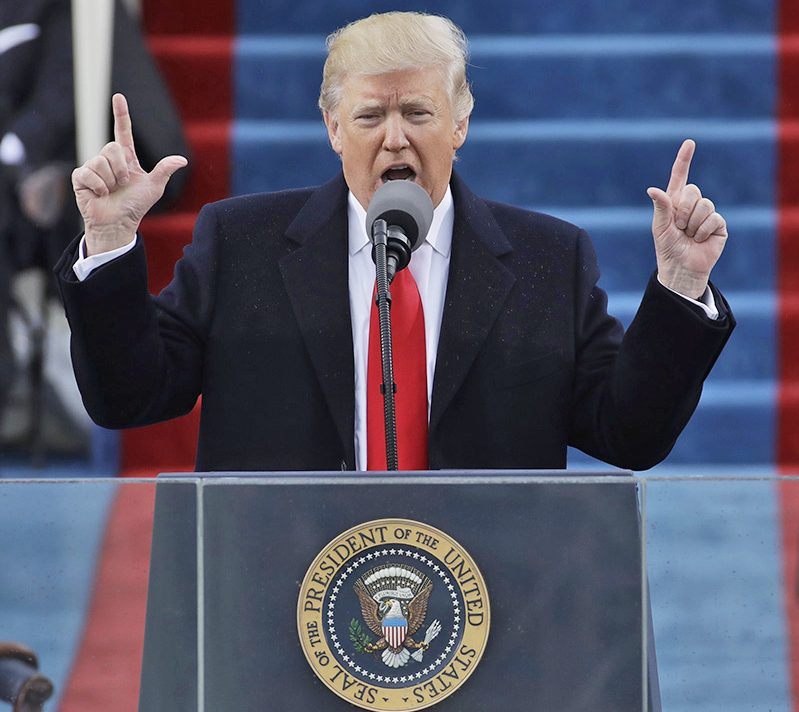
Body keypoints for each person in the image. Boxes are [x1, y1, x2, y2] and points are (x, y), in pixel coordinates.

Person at [55, 11, 733, 472]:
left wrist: (678, 286)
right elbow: (129, 397)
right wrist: (110, 244)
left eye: (417, 112)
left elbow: (628, 433)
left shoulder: (546, 260)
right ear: (332, 127)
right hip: (279, 608)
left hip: (486, 610)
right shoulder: (242, 244)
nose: (394, 137)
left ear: (459, 123)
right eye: (370, 115)